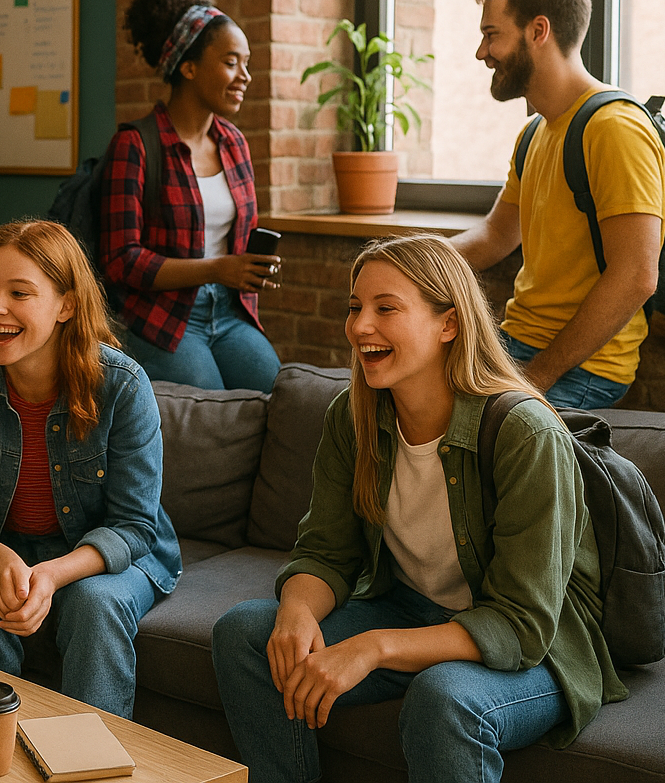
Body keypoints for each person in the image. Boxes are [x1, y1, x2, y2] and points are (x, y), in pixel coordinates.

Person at [211, 234, 625, 783]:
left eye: (387, 309)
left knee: (444, 697)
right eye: (355, 307)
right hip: (413, 609)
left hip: (540, 649)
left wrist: (373, 648)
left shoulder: (525, 432)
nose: (360, 327)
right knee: (244, 634)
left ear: (448, 323)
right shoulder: (352, 415)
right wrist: (295, 611)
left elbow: (521, 624)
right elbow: (325, 552)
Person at [0, 220, 182, 719]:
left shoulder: (123, 385)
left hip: (109, 555)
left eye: (19, 293)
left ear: (66, 305)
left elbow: (134, 525)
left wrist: (54, 574)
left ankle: (92, 765)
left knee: (93, 605)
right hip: (7, 544)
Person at [452, 0, 664, 409]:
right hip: (517, 344)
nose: (481, 52)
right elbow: (495, 236)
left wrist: (536, 378)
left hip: (582, 366)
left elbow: (636, 277)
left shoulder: (615, 128)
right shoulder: (534, 133)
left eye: (492, 34)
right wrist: (406, 261)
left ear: (538, 30)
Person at [101, 0, 282, 392]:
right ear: (188, 66)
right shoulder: (136, 145)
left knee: (275, 393)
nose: (245, 77)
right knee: (210, 412)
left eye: (247, 63)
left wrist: (249, 268)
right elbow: (121, 260)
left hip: (230, 312)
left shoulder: (234, 143)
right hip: (161, 319)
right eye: (231, 62)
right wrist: (220, 268)